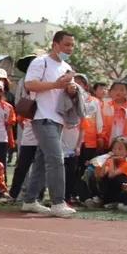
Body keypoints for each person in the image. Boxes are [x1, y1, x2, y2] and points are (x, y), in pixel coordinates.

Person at [17, 31, 78, 217]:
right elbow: (29, 84)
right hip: (42, 117)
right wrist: (55, 85)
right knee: (56, 158)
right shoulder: (40, 62)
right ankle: (58, 202)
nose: (70, 49)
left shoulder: (67, 67)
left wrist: (72, 89)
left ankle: (29, 200)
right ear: (55, 44)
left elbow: (66, 91)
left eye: (72, 45)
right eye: (66, 45)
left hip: (58, 118)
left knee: (42, 161)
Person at [86, 137, 127, 209]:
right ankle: (99, 199)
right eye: (114, 149)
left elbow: (111, 175)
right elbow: (101, 175)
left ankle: (114, 202)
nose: (116, 151)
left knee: (117, 178)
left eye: (120, 149)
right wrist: (106, 160)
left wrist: (112, 160)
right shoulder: (111, 160)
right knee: (93, 176)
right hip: (112, 187)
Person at [100, 80, 127, 148]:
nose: (118, 92)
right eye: (115, 89)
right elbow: (101, 126)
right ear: (111, 91)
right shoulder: (105, 107)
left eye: (122, 90)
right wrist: (102, 139)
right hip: (108, 144)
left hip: (125, 145)